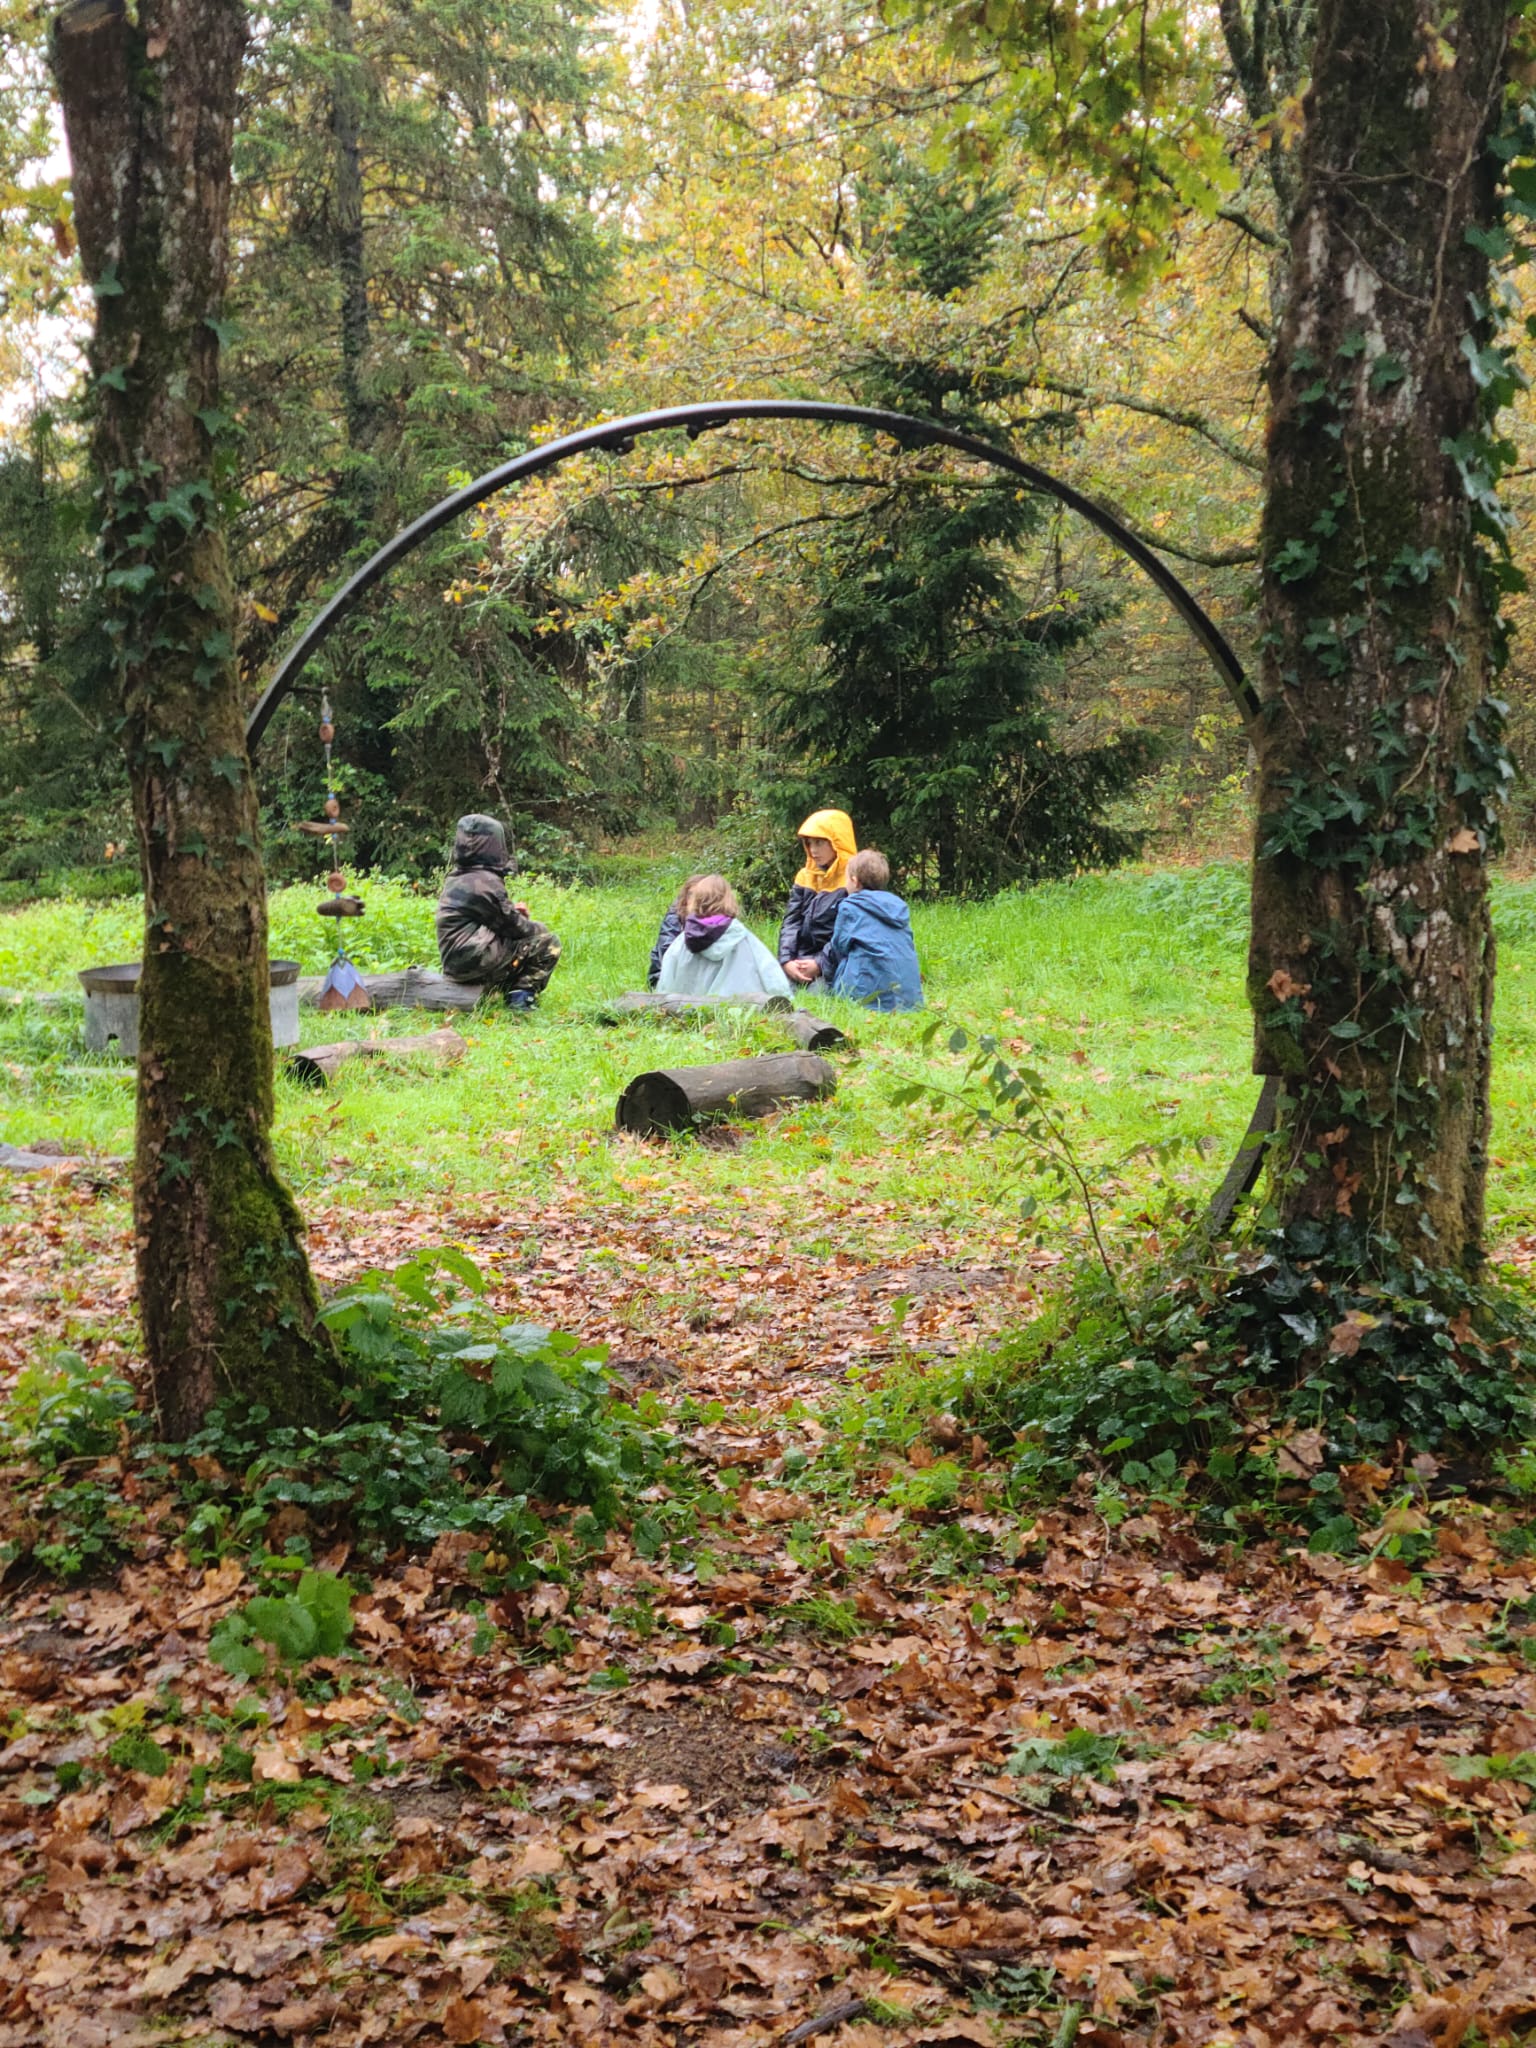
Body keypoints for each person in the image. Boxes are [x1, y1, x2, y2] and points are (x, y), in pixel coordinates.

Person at [435, 814, 562, 1008]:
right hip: (474, 960)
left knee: (518, 941)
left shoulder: (457, 877)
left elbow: (492, 918)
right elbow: (516, 929)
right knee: (548, 942)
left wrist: (513, 914)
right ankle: (521, 998)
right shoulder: (484, 882)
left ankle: (499, 990)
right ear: (494, 844)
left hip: (455, 962)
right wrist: (532, 924)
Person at [809, 849, 923, 1011]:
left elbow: (838, 949)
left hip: (865, 997)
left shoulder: (850, 907)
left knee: (823, 984)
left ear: (854, 881)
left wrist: (819, 966)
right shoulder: (898, 907)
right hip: (909, 998)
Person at [656, 875, 793, 1000]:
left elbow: (666, 980)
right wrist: (786, 999)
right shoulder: (742, 937)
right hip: (739, 1010)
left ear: (695, 901)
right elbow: (770, 973)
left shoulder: (682, 941)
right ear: (728, 900)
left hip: (689, 1012)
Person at [778, 808, 857, 985]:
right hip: (800, 958)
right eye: (809, 843)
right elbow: (791, 922)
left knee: (818, 993)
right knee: (772, 986)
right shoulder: (805, 876)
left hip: (836, 961)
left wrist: (819, 963)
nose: (813, 850)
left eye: (819, 843)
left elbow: (848, 934)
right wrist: (787, 960)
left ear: (837, 843)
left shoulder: (854, 880)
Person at [646, 875, 704, 989]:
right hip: (665, 976)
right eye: (691, 894)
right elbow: (667, 954)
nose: (695, 900)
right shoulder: (675, 917)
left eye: (700, 895)